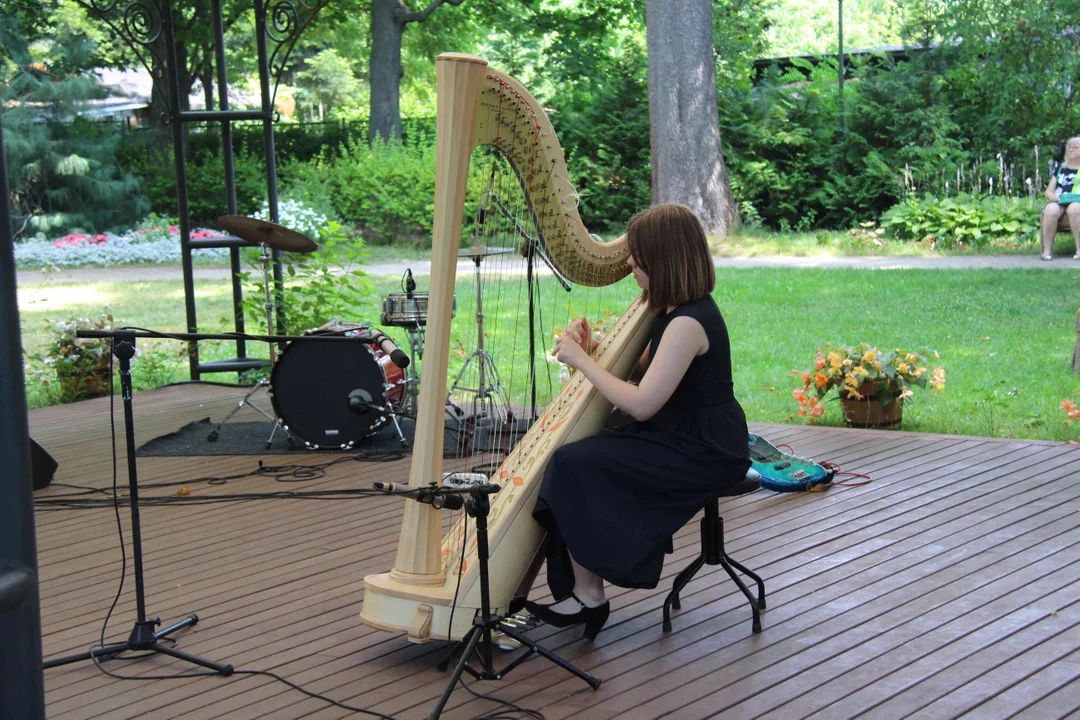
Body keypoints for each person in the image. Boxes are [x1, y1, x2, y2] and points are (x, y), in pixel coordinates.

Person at [520, 203, 751, 641]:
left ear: (663, 260)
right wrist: (594, 349)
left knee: (575, 463)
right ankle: (581, 591)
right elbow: (639, 370)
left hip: (705, 449)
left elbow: (642, 404)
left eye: (637, 256)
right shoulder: (669, 312)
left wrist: (581, 362)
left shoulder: (688, 322)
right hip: (679, 433)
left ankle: (590, 597)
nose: (629, 263)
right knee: (579, 457)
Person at [1039, 137, 1080, 261]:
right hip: (1060, 200)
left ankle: (1079, 249)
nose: (1070, 150)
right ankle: (1047, 251)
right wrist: (1054, 198)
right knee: (1050, 209)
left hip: (1078, 201)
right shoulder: (1060, 168)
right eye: (1069, 147)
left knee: (1074, 208)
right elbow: (1048, 192)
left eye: (1075, 147)